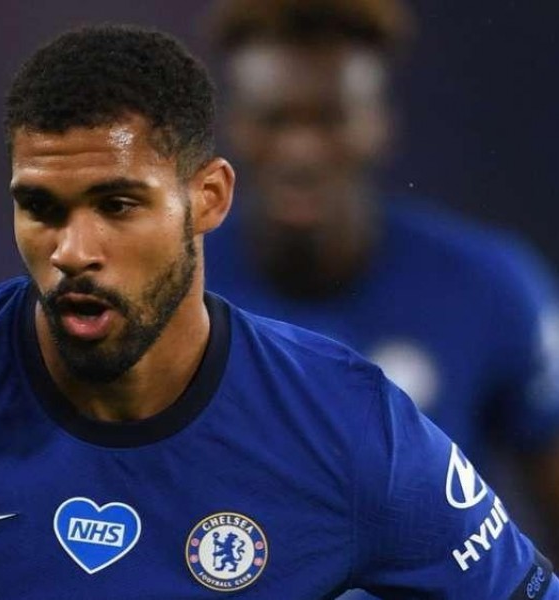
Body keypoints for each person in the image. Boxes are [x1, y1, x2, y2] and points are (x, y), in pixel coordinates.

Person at [0, 24, 556, 599]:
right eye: (40, 207)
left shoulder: (354, 430)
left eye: (118, 206)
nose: (72, 251)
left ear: (206, 199)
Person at [205, 0, 559, 569]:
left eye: (330, 118)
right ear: (237, 130)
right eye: (276, 120)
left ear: (378, 126)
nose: (301, 151)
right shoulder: (169, 293)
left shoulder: (490, 286)